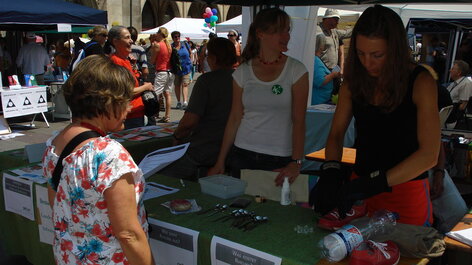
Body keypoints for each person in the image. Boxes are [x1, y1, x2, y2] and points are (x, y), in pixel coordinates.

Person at [310, 5, 440, 226]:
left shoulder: (421, 81)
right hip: (359, 190)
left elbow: (429, 155)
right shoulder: (353, 81)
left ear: (396, 50)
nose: (368, 63)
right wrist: (331, 170)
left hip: (405, 192)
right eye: (360, 54)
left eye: (377, 55)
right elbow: (336, 134)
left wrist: (374, 184)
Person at [42, 55, 155, 265]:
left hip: (70, 257)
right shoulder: (107, 153)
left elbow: (57, 205)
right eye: (124, 102)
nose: (128, 109)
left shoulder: (55, 142)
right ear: (105, 103)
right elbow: (128, 233)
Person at [208, 8, 309, 186]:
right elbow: (234, 118)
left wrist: (296, 161)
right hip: (243, 153)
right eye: (280, 30)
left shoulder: (296, 70)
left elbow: (299, 120)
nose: (286, 36)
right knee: (241, 209)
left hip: (280, 157)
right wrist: (220, 160)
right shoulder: (243, 71)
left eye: (287, 30)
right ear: (261, 34)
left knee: (276, 210)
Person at [160, 37, 237, 180]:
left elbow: (190, 121)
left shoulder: (207, 81)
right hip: (233, 149)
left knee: (162, 173)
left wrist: (177, 136)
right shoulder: (241, 78)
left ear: (213, 58)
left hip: (205, 150)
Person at [108, 26, 154, 129]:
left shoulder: (126, 60)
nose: (131, 41)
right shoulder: (116, 61)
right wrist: (146, 87)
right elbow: (124, 92)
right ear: (115, 41)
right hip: (129, 115)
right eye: (127, 37)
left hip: (136, 113)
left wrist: (134, 67)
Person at [317, 9, 352, 93]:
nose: (338, 22)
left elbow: (347, 33)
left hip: (334, 71)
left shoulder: (334, 31)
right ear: (329, 19)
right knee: (323, 94)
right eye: (336, 20)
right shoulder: (317, 31)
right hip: (323, 72)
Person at [150, 27, 174, 124]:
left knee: (155, 94)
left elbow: (152, 60)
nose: (156, 34)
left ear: (160, 34)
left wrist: (152, 49)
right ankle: (167, 116)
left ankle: (152, 114)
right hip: (170, 72)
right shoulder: (169, 46)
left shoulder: (158, 45)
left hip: (161, 72)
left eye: (157, 33)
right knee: (167, 94)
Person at [312, 33, 341, 105]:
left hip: (321, 100)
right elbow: (320, 81)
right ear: (321, 47)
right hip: (318, 102)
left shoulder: (315, 59)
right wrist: (333, 75)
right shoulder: (315, 60)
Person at [445, 60, 472, 126]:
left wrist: (452, 113)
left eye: (452, 69)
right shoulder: (453, 83)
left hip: (451, 117)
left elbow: (463, 106)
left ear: (459, 72)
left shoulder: (466, 83)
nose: (450, 70)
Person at [171, 31, 192, 110]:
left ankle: (185, 102)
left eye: (178, 36)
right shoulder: (171, 47)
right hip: (176, 69)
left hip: (186, 68)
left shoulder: (185, 44)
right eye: (175, 37)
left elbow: (190, 54)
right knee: (177, 85)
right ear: (173, 38)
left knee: (185, 84)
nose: (177, 38)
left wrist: (191, 63)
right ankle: (179, 102)